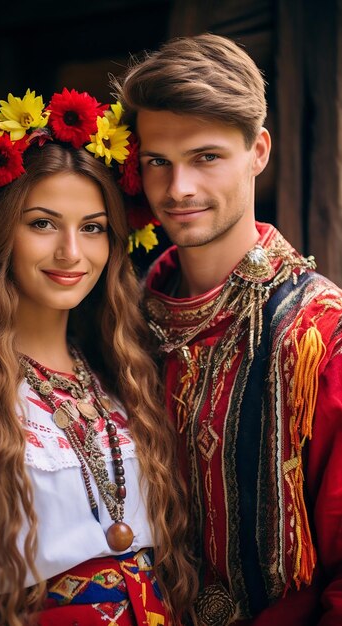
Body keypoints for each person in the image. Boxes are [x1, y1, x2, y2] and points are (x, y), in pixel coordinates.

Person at [0, 87, 197, 626]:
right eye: (43, 223)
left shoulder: (123, 383)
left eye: (93, 228)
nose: (72, 252)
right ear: (2, 233)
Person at [112, 33, 342, 625]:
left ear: (258, 151)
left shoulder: (320, 336)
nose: (178, 188)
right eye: (158, 162)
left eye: (206, 157)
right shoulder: (119, 326)